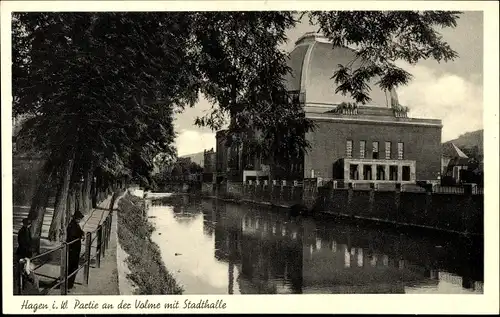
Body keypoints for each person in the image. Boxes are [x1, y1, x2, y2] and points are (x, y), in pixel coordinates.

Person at [66, 211, 85, 289]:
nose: (80, 220)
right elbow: (72, 236)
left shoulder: (75, 225)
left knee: (74, 267)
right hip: (73, 250)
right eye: (79, 219)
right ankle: (69, 285)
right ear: (76, 218)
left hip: (75, 250)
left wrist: (82, 233)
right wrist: (80, 236)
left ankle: (70, 284)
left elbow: (79, 231)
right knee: (72, 267)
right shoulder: (72, 225)